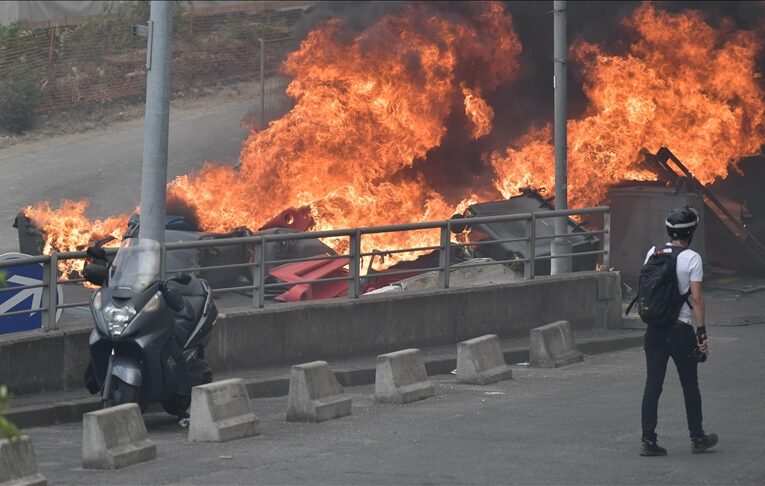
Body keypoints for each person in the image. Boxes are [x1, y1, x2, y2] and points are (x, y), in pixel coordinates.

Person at [640, 206, 718, 456]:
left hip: (653, 330)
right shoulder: (692, 258)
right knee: (689, 385)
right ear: (691, 232)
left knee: (653, 385)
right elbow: (697, 299)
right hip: (680, 330)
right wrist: (702, 332)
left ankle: (647, 441)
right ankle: (697, 438)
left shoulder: (653, 252)